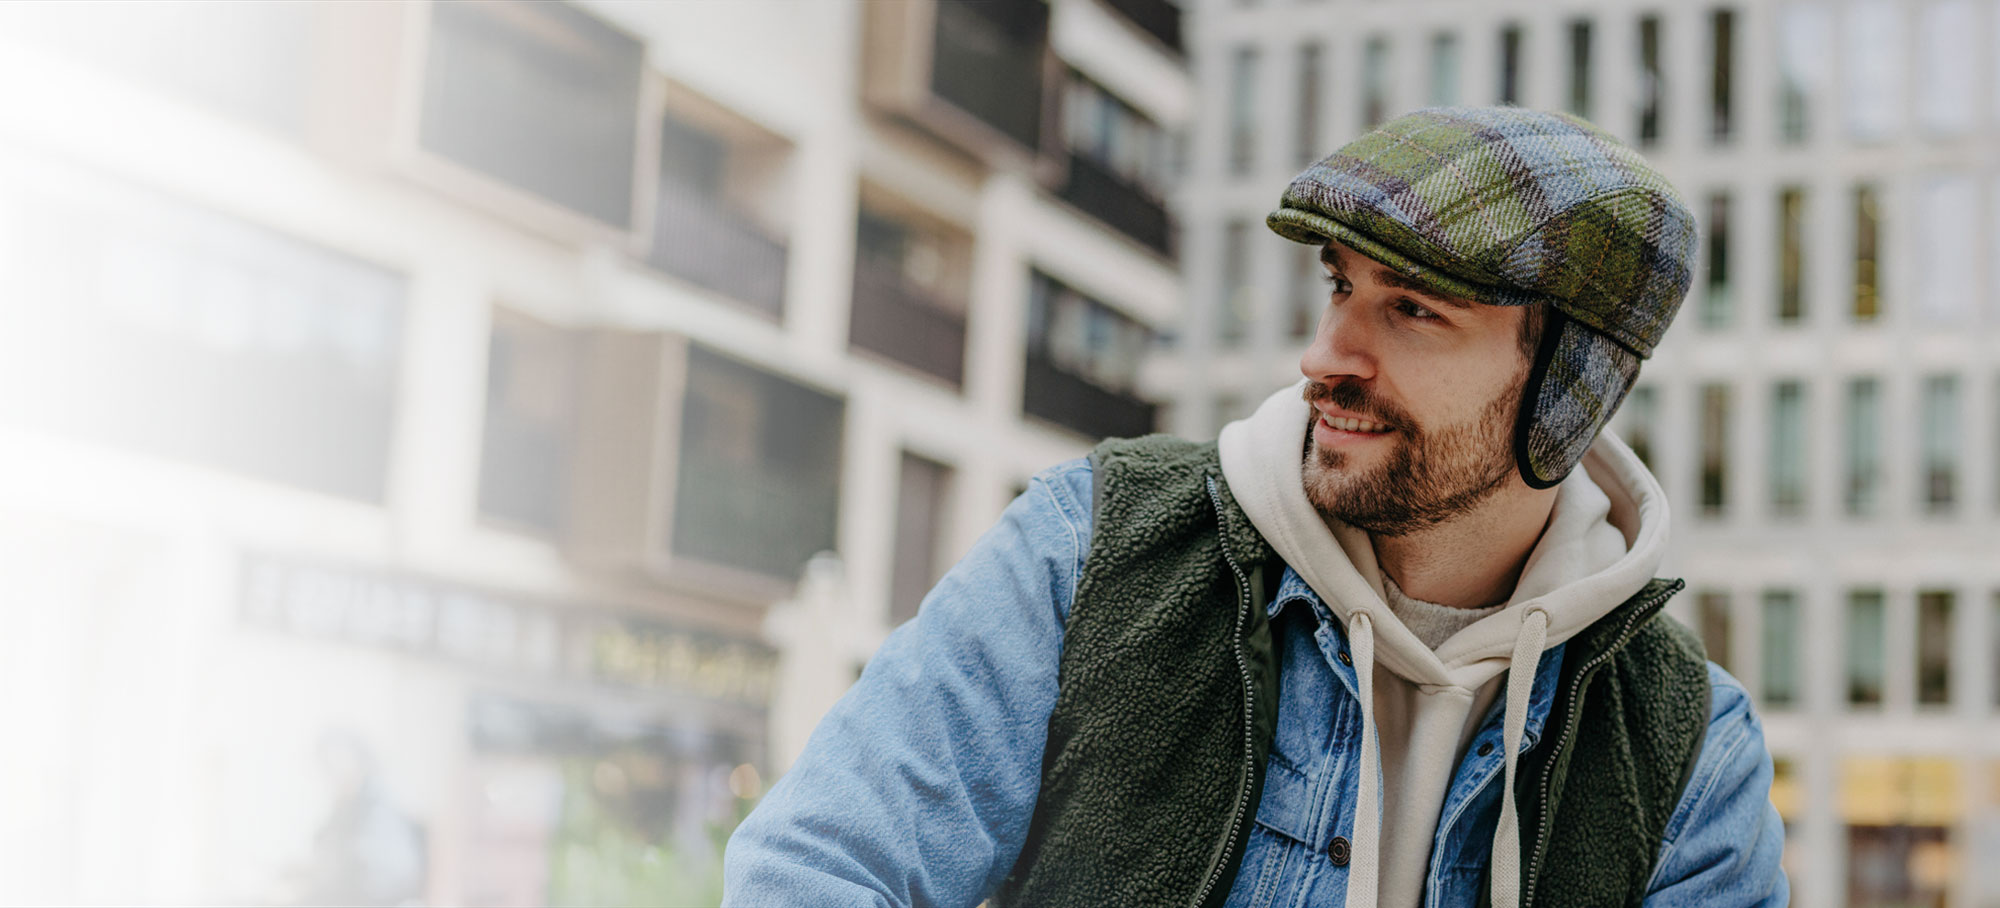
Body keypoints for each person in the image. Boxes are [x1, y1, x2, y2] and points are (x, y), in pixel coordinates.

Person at [721, 107, 1788, 908]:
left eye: (1412, 310)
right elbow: (818, 867)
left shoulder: (1688, 753)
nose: (1325, 356)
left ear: (1569, 386)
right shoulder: (1097, 546)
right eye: (1340, 286)